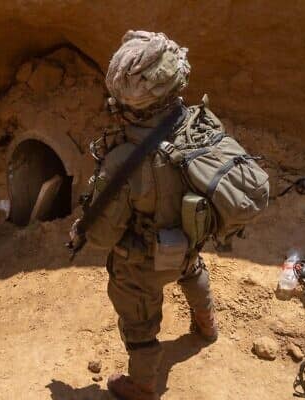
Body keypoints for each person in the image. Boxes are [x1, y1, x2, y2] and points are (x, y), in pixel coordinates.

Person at [69, 31, 217, 400]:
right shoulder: (196, 120)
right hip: (190, 237)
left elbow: (102, 236)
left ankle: (143, 385)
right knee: (193, 270)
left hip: (144, 263)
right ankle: (207, 325)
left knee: (139, 322)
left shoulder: (123, 161)